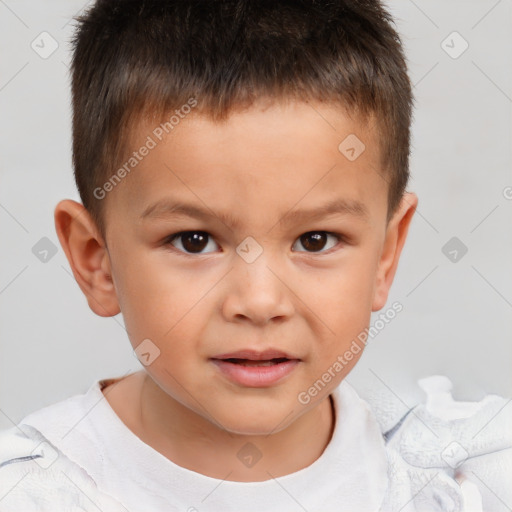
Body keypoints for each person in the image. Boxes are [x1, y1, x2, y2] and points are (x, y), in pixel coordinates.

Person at [1, 1, 510, 510]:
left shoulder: (458, 484)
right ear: (97, 261)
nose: (260, 301)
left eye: (315, 240)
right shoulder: (31, 495)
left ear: (385, 255)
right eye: (194, 241)